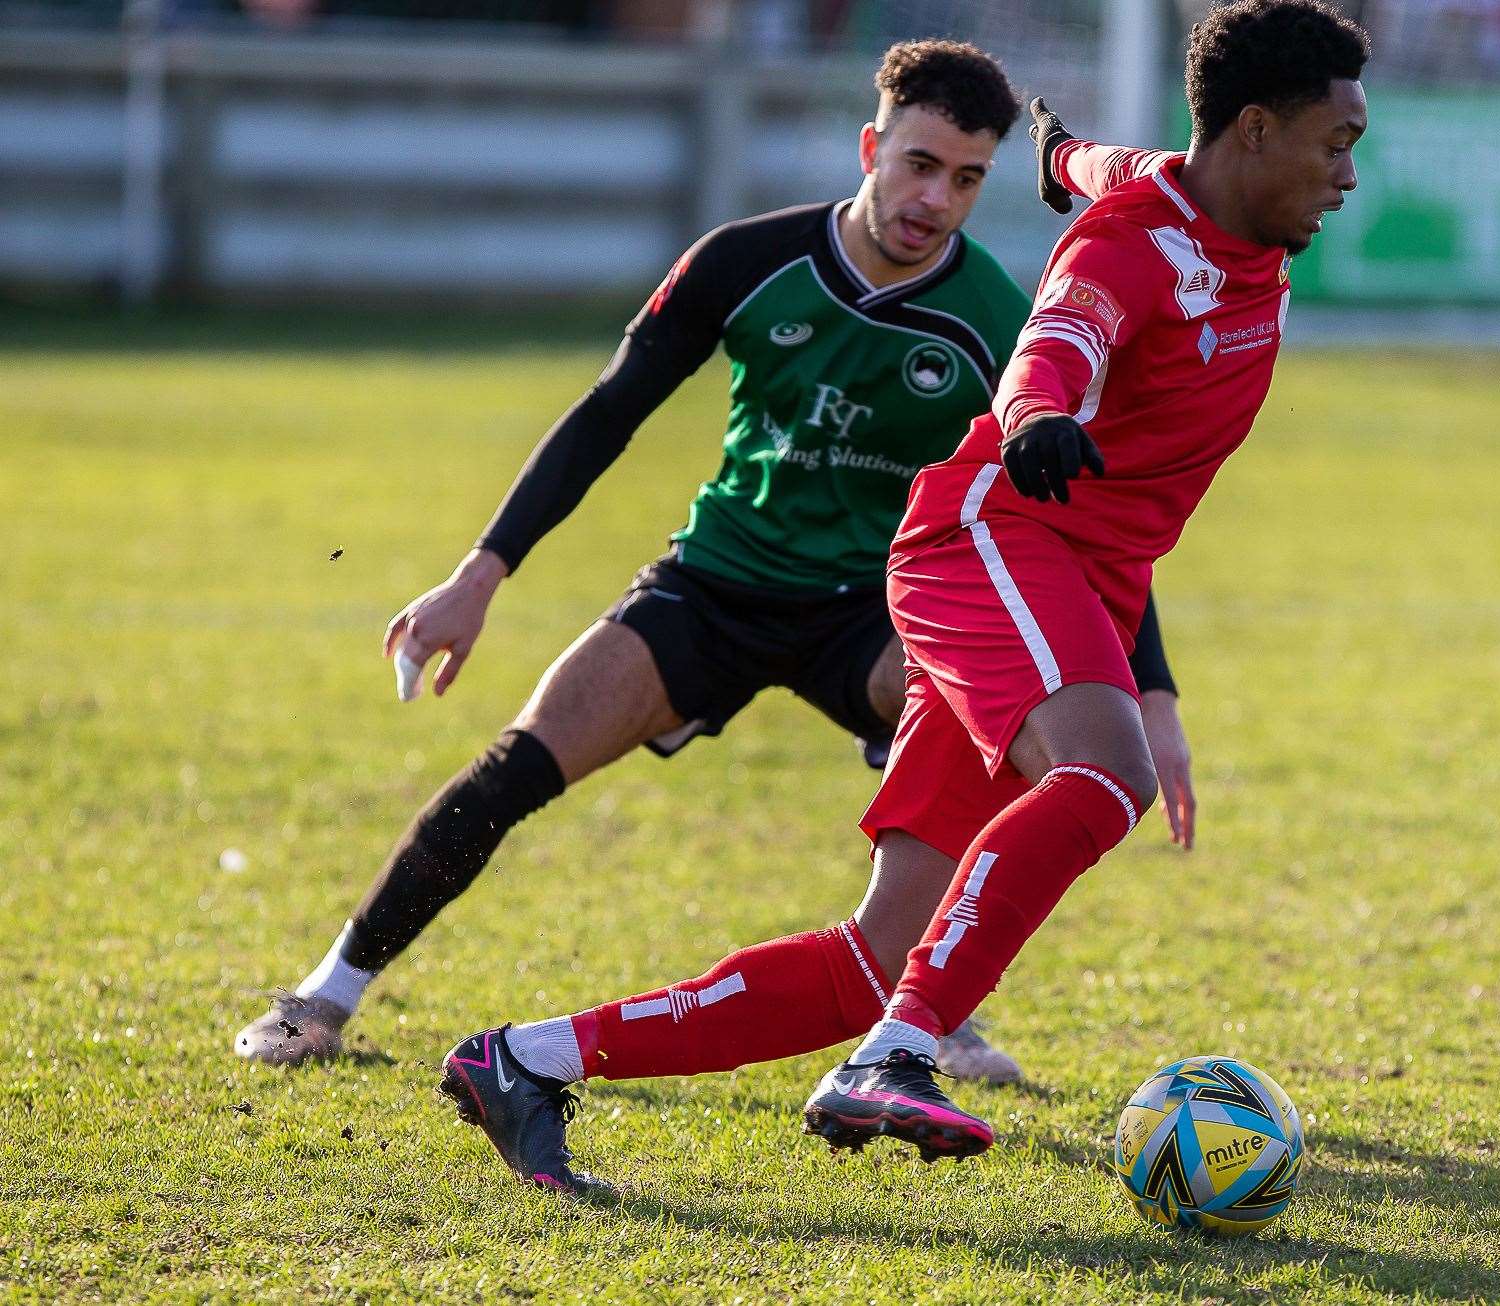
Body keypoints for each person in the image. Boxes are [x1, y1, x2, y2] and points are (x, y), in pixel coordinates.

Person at [434, 0, 1367, 1195]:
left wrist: (1060, 157)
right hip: (990, 543)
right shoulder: (1135, 245)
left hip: (1062, 584)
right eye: (1332, 142)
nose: (1345, 174)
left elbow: (1106, 167)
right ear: (1252, 130)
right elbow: (1060, 337)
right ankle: (898, 1055)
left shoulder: (1185, 192)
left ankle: (521, 1059)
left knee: (876, 955)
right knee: (1103, 774)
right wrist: (1033, 417)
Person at [234, 39, 1198, 1085]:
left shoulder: (988, 323)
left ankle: (927, 1005)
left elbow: (1083, 510)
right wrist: (480, 574)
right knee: (520, 763)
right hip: (716, 580)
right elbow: (610, 412)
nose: (934, 198)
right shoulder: (746, 260)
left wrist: (1148, 692)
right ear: (871, 146)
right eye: (918, 164)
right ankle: (324, 992)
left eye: (965, 179)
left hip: (877, 607)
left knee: (987, 743)